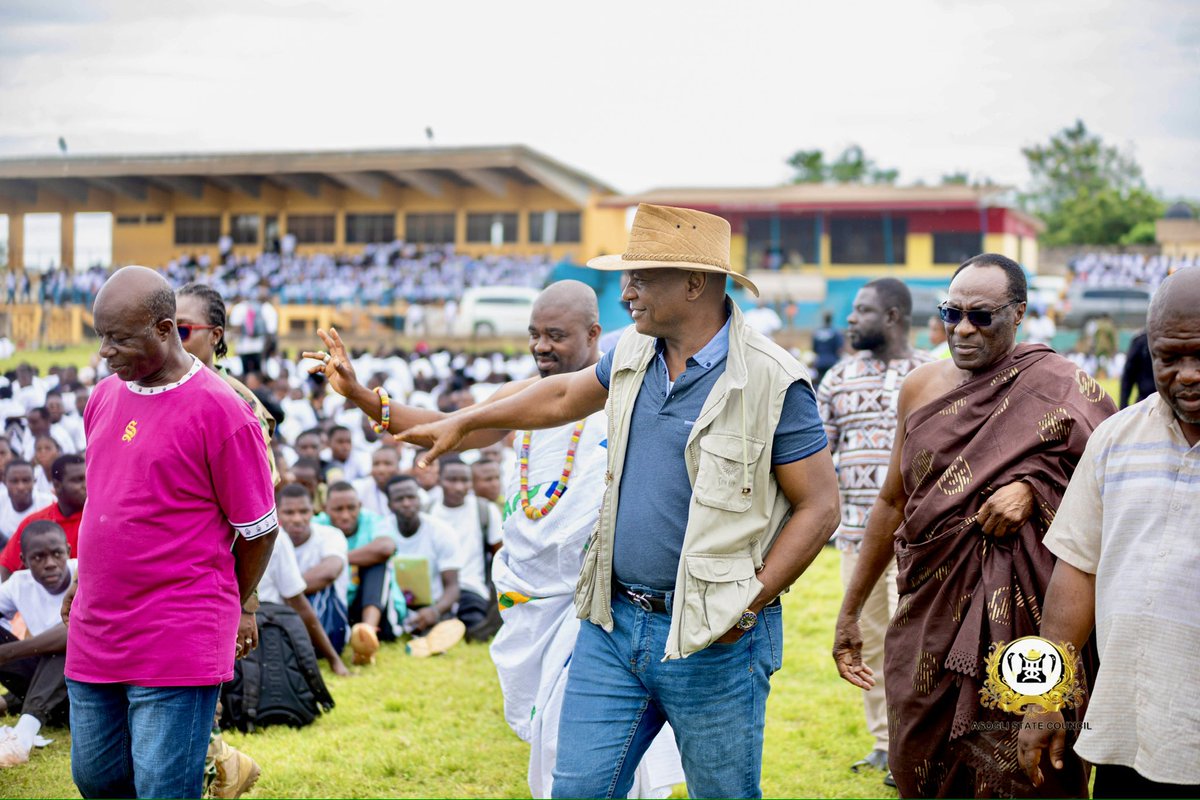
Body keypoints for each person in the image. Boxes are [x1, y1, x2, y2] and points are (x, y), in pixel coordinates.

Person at [386, 204, 840, 798]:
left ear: (695, 283)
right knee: (577, 790)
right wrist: (462, 422)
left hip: (713, 636)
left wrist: (748, 603)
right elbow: (558, 398)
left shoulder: (772, 380)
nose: (625, 292)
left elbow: (820, 507)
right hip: (613, 621)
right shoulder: (632, 353)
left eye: (640, 277)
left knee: (723, 794)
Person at [307, 280, 685, 797]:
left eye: (555, 335)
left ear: (594, 333)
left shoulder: (627, 391)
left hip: (594, 600)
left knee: (569, 736)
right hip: (531, 596)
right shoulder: (518, 398)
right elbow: (449, 425)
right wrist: (361, 397)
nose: (540, 347)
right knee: (561, 739)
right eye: (533, 335)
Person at [833, 254, 1117, 798]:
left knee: (1029, 763)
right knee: (920, 751)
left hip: (1032, 616)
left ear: (1019, 314)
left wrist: (1035, 489)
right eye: (951, 312)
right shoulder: (919, 387)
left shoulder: (1062, 386)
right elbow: (893, 501)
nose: (962, 329)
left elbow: (1112, 490)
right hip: (930, 612)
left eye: (982, 316)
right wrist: (850, 610)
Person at [62, 266, 278, 799]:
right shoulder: (104, 398)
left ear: (165, 330)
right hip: (98, 627)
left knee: (163, 786)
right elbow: (104, 498)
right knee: (96, 776)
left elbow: (259, 530)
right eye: (100, 336)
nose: (105, 352)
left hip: (177, 630)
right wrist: (81, 577)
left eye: (118, 338)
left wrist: (235, 601)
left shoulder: (224, 411)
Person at [1018, 268, 1200, 798]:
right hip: (1128, 730)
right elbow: (1076, 571)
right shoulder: (1116, 438)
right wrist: (1042, 698)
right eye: (1170, 357)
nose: (1187, 374)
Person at [816, 279, 932, 787]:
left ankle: (918, 743)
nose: (850, 320)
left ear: (892, 316)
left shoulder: (933, 375)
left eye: (861, 311)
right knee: (870, 639)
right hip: (858, 541)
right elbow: (817, 458)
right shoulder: (837, 379)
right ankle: (885, 743)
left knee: (916, 643)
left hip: (920, 539)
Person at [176, 282, 281, 487]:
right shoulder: (156, 388)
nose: (171, 341)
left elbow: (259, 484)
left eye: (182, 331)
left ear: (215, 335)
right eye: (164, 329)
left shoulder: (240, 400)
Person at [0, 522, 72, 768]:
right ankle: (12, 703)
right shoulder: (18, 584)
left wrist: (7, 652)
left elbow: (75, 630)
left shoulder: (85, 572)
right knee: (47, 650)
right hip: (43, 684)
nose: (50, 563)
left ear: (69, 551)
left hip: (80, 692)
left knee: (71, 643)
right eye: (38, 557)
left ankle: (22, 736)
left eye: (56, 554)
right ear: (23, 560)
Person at [315, 481, 401, 666]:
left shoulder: (372, 520)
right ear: (325, 509)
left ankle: (367, 634)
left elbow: (386, 547)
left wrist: (338, 560)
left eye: (351, 508)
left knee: (378, 563)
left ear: (360, 506)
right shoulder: (317, 524)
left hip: (376, 611)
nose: (345, 515)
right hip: (339, 608)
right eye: (338, 509)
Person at [383, 476, 466, 657]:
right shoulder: (382, 530)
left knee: (440, 628)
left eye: (411, 497)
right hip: (393, 606)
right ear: (389, 504)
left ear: (420, 499)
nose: (406, 503)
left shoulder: (442, 532)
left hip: (433, 606)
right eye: (399, 499)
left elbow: (453, 586)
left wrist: (434, 611)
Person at [428, 457, 501, 637]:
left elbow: (500, 555)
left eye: (464, 480)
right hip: (436, 591)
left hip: (472, 589)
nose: (459, 487)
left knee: (475, 628)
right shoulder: (427, 511)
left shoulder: (484, 510)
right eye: (452, 480)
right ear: (439, 480)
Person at [276, 483, 349, 654]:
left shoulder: (330, 535)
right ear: (277, 512)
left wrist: (286, 590)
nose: (297, 519)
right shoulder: (273, 541)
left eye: (303, 512)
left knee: (322, 590)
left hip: (329, 622)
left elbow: (330, 572)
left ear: (313, 511)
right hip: (285, 611)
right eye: (289, 512)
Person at [0, 454, 86, 581]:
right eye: (77, 480)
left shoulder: (102, 519)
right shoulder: (35, 522)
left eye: (87, 478)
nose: (86, 485)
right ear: (57, 485)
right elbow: (7, 567)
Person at [227, 286, 277, 379]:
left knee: (245, 375)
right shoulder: (268, 308)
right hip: (260, 348)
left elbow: (236, 329)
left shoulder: (239, 308)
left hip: (244, 348)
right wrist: (266, 352)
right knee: (258, 376)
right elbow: (271, 333)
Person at [0, 462, 53, 547]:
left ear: (34, 481)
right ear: (5, 481)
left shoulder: (49, 502)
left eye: (26, 480)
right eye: (14, 481)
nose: (21, 487)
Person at [352, 447, 400, 517]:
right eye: (376, 464)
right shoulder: (358, 488)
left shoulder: (407, 488)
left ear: (398, 466)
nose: (381, 470)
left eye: (387, 464)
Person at [1118, 328, 1156, 408]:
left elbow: (1127, 377)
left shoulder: (1140, 341)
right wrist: (1123, 406)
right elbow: (1128, 377)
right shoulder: (1140, 342)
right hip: (1145, 402)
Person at [812, 309, 845, 388]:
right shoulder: (836, 332)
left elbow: (814, 348)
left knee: (820, 385)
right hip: (832, 362)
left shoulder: (817, 332)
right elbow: (839, 348)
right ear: (831, 319)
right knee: (831, 385)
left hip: (820, 362)